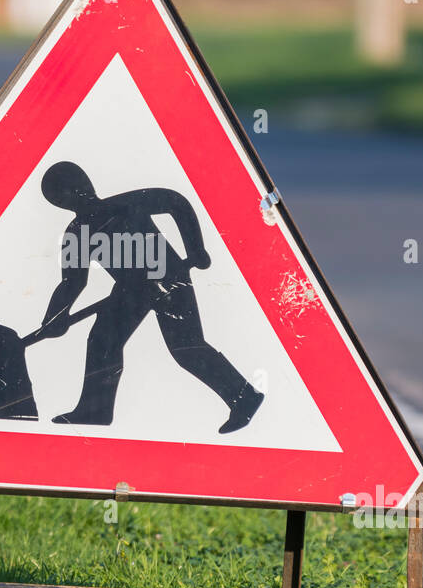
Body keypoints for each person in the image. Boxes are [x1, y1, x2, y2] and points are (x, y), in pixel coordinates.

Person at [34, 161, 264, 434]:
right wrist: (54, 318)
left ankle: (244, 395)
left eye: (76, 188)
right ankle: (95, 410)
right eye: (66, 194)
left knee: (186, 348)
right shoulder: (77, 233)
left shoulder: (125, 204)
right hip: (129, 289)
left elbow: (175, 202)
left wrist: (196, 248)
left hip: (167, 277)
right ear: (61, 201)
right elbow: (72, 282)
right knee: (102, 342)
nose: (78, 195)